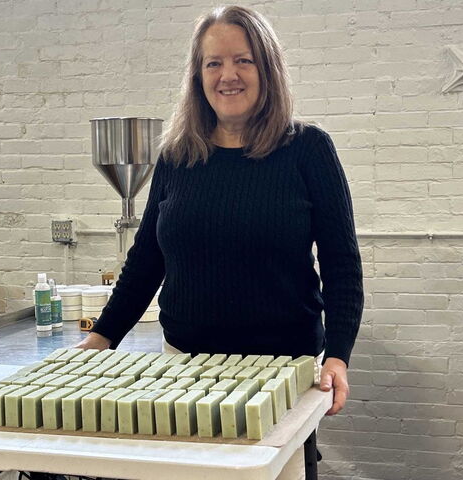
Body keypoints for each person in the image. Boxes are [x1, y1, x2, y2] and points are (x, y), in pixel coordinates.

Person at [76, 5, 363, 417]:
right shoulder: (177, 155)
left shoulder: (308, 149)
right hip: (184, 365)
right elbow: (146, 260)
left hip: (283, 368)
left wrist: (338, 355)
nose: (228, 75)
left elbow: (342, 264)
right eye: (214, 63)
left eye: (243, 60)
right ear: (198, 77)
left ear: (267, 69)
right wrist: (103, 335)